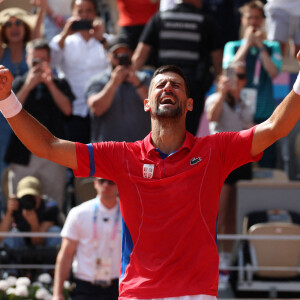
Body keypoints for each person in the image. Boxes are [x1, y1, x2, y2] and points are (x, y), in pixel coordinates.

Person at [1, 52, 300, 298]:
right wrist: (6, 99)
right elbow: (49, 147)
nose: (167, 88)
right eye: (160, 85)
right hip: (139, 293)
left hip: (195, 293)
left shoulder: (216, 150)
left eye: (176, 85)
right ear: (147, 102)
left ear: (189, 104)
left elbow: (275, 128)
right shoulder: (121, 156)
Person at [132, 0, 223, 135]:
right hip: (192, 89)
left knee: (162, 132)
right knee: (187, 136)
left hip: (163, 87)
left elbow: (140, 56)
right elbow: (217, 62)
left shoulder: (160, 18)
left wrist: (130, 78)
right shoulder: (206, 21)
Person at [4, 38, 74, 210]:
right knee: (19, 204)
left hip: (54, 153)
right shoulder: (19, 82)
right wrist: (28, 85)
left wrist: (49, 83)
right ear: (27, 59)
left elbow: (68, 110)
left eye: (42, 60)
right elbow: (7, 110)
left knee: (53, 203)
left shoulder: (59, 83)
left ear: (49, 60)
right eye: (34, 60)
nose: (37, 64)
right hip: (23, 153)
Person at [205, 61, 254, 282]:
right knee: (221, 212)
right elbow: (212, 118)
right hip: (221, 159)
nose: (238, 81)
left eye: (242, 77)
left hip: (242, 159)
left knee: (236, 212)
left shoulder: (246, 102)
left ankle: (227, 257)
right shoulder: (215, 99)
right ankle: (218, 261)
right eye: (234, 76)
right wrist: (223, 92)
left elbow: (249, 128)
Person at [223, 0, 282, 167]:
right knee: (238, 166)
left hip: (265, 113)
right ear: (243, 20)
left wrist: (261, 47)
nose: (254, 22)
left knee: (266, 164)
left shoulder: (273, 47)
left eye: (257, 18)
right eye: (250, 18)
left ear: (263, 21)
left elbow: (273, 72)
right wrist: (246, 45)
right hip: (239, 112)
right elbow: (229, 71)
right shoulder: (232, 46)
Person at [0, 7, 43, 212]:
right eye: (8, 24)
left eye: (18, 23)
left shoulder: (31, 50)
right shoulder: (1, 52)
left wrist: (41, 7)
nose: (14, 27)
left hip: (28, 117)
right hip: (2, 123)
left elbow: (37, 33)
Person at [49, 0, 108, 145]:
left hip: (104, 109)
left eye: (89, 11)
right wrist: (65, 33)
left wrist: (102, 39)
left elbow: (117, 61)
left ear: (95, 13)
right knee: (76, 160)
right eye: (79, 11)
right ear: (72, 14)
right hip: (74, 110)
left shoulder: (107, 40)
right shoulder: (62, 40)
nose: (84, 16)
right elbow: (50, 61)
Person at [52, 178, 121, 300]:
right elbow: (66, 253)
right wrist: (57, 293)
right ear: (95, 183)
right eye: (101, 181)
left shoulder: (129, 213)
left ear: (118, 184)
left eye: (111, 181)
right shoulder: (78, 213)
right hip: (85, 286)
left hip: (118, 285)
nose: (106, 185)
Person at [86, 35, 151, 143]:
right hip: (107, 153)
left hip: (140, 151)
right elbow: (96, 109)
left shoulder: (144, 79)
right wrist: (113, 83)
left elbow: (156, 108)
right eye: (117, 56)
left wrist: (138, 84)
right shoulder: (97, 81)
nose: (121, 59)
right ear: (108, 56)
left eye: (125, 54)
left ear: (131, 55)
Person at [0, 176, 61, 248]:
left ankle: (54, 258)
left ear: (40, 196)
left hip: (44, 246)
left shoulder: (49, 207)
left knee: (55, 231)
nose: (28, 200)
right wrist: (9, 212)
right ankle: (11, 259)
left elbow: (38, 243)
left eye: (32, 196)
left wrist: (34, 224)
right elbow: (1, 237)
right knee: (12, 235)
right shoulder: (15, 205)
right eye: (25, 196)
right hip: (20, 244)